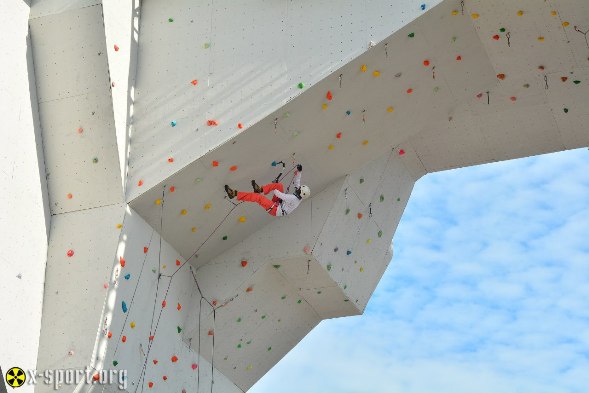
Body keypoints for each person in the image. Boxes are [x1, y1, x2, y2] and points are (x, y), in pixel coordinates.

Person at [225, 164, 310, 216]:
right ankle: (260, 189)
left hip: (275, 210)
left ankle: (235, 194)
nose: (298, 188)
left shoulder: (293, 198)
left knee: (259, 198)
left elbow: (280, 195)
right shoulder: (300, 195)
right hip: (279, 204)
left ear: (300, 193)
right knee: (279, 185)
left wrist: (274, 186)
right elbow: (297, 182)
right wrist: (300, 171)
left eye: (299, 190)